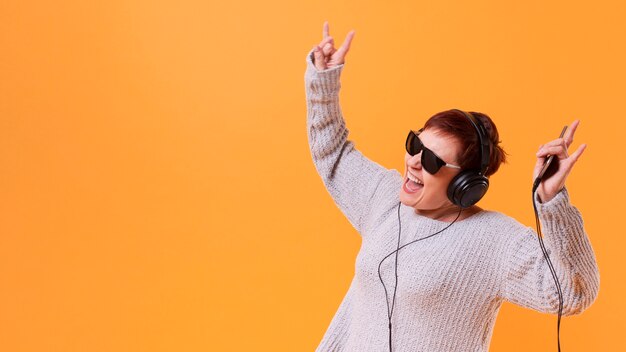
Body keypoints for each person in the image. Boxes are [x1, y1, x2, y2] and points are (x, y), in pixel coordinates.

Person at [304, 21, 600, 352]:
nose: (414, 161)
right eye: (415, 144)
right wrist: (324, 82)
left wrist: (551, 202)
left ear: (466, 185)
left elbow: (574, 293)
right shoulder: (384, 198)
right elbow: (333, 153)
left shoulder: (493, 239)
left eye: (432, 161)